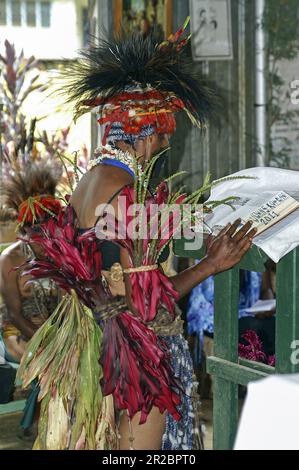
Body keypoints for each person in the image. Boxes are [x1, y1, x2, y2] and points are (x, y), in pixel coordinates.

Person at [17, 23, 257, 451]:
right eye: (165, 134)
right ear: (145, 133)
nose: (167, 144)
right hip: (133, 357)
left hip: (93, 341)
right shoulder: (127, 191)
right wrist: (212, 264)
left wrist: (186, 225)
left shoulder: (92, 179)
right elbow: (144, 304)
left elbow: (108, 255)